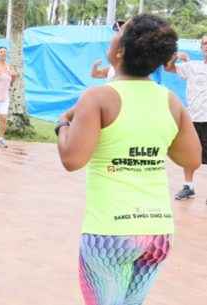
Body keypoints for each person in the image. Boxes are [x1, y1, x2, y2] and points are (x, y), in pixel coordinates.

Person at [56, 14, 200, 305]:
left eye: (119, 32)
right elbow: (192, 158)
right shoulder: (170, 100)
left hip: (110, 232)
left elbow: (72, 159)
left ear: (120, 50)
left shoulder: (97, 98)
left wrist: (62, 126)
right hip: (157, 233)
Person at [166, 35, 207, 201]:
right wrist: (175, 56)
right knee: (189, 154)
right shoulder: (192, 66)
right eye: (204, 43)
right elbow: (168, 68)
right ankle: (188, 187)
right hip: (194, 119)